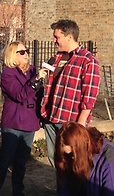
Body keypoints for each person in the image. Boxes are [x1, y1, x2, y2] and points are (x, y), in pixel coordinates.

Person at [0, 42, 47, 196]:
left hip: (30, 121)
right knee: (4, 161)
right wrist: (36, 81)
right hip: (13, 123)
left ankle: (19, 195)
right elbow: (20, 94)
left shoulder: (33, 70)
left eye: (27, 51)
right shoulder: (8, 73)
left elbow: (38, 96)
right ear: (13, 55)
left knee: (21, 162)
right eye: (22, 52)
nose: (26, 54)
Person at [41, 19, 100, 167]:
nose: (54, 40)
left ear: (69, 37)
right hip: (51, 118)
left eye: (57, 37)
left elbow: (90, 95)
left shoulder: (87, 60)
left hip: (70, 122)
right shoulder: (57, 58)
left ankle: (75, 190)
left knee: (72, 162)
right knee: (55, 159)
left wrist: (80, 124)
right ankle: (62, 189)